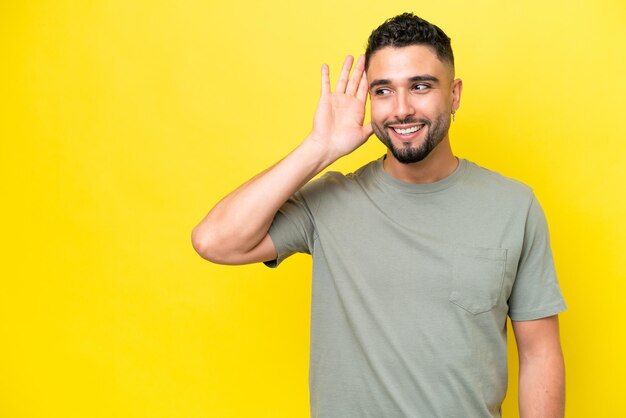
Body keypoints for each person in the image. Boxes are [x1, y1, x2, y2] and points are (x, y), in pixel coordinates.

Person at [192, 12, 566, 418]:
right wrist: (320, 148)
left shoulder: (513, 206)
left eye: (420, 86)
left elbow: (539, 355)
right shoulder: (330, 201)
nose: (401, 109)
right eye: (383, 91)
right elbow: (214, 241)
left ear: (454, 94)